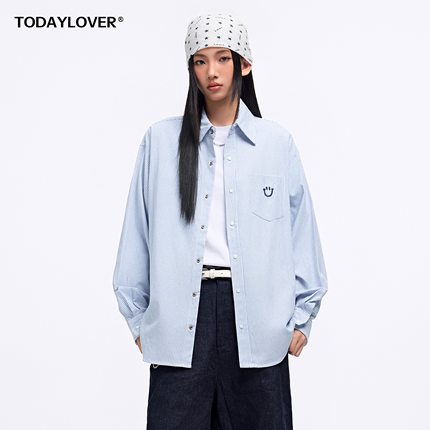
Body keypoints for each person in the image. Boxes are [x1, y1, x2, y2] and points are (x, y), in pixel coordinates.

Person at [112, 12, 328, 429]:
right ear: (191, 69)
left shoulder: (275, 143)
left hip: (257, 322)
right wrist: (139, 319)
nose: (211, 71)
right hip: (180, 321)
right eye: (200, 60)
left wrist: (303, 316)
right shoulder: (160, 141)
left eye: (222, 58)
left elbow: (301, 234)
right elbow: (136, 233)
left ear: (243, 64)